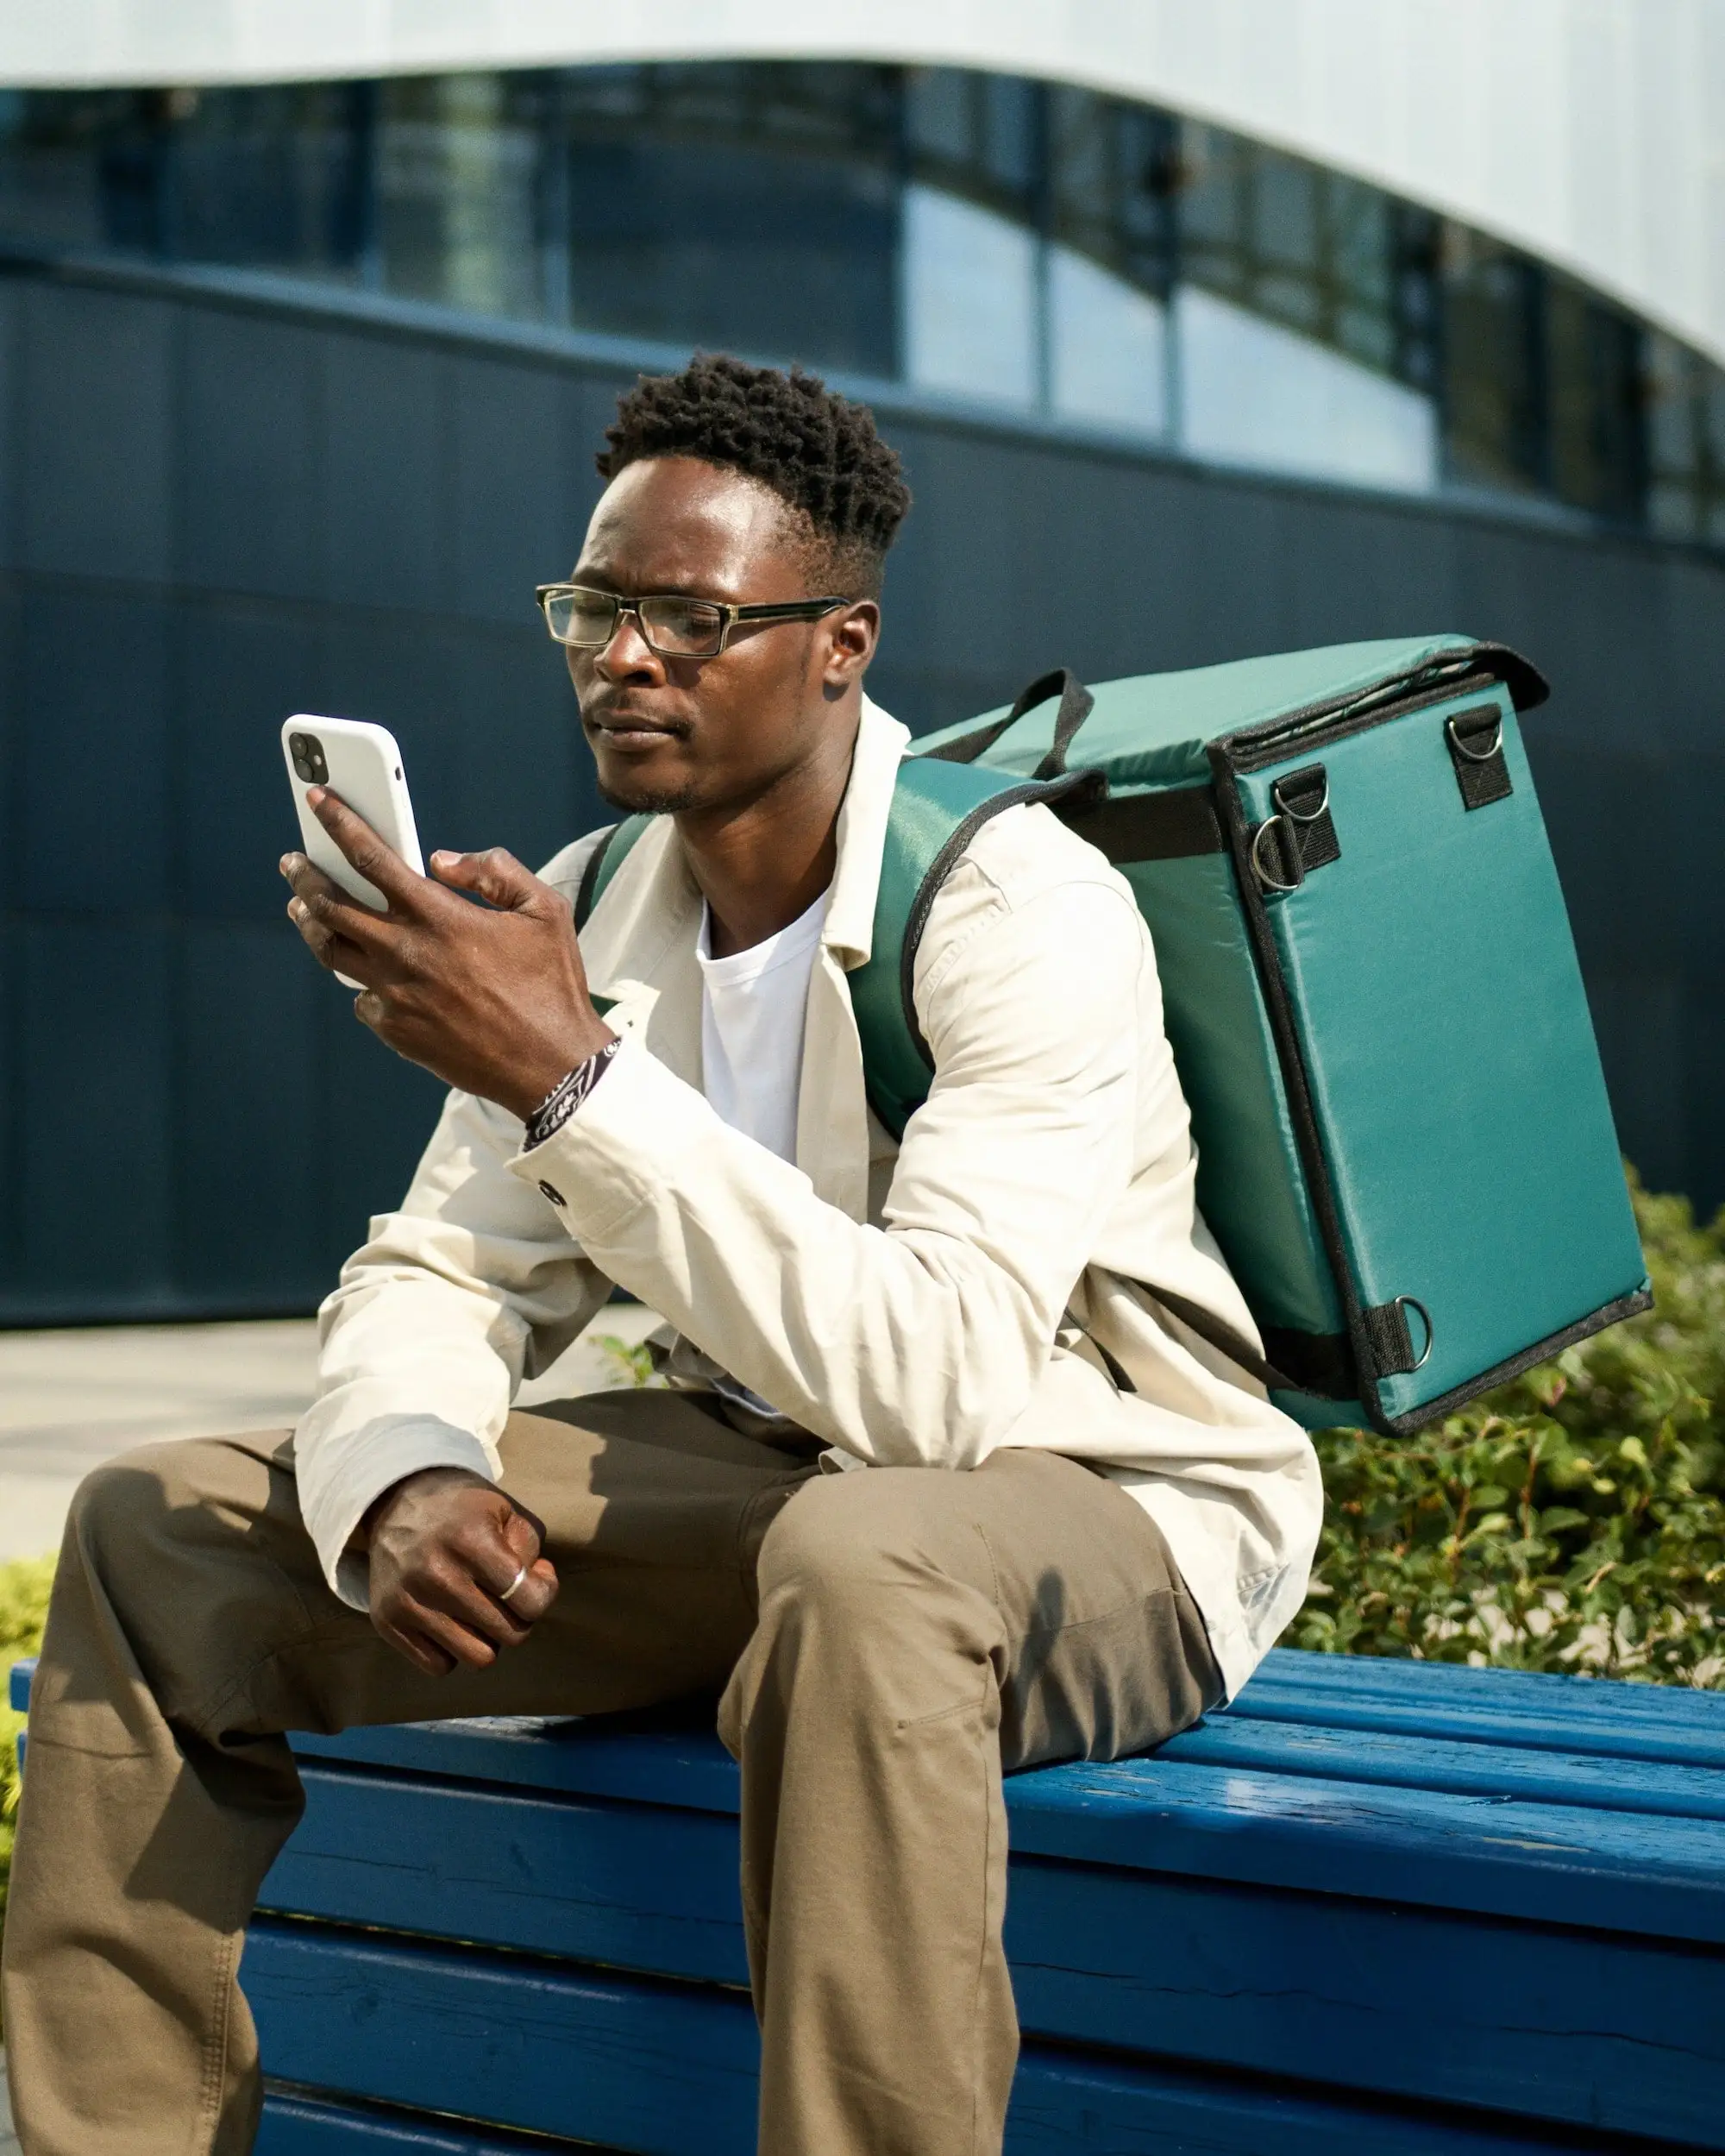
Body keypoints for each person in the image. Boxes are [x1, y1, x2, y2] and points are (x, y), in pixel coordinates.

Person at [1, 355, 1322, 2156]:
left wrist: (567, 1071)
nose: (624, 656)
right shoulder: (601, 891)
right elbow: (444, 1270)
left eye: (691, 617)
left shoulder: (1019, 904)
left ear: (839, 643)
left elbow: (938, 1387)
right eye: (595, 607)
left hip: (1097, 1491)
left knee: (866, 1562)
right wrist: (399, 1476)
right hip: (775, 1492)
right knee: (163, 1531)